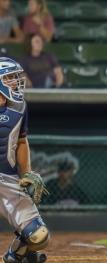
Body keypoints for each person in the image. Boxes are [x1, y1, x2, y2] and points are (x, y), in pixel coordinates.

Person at [0, 57, 50, 263]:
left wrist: (27, 172)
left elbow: (21, 141)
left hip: (7, 178)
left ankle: (15, 255)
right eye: (10, 78)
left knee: (40, 237)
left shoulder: (19, 107)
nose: (16, 82)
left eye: (16, 77)